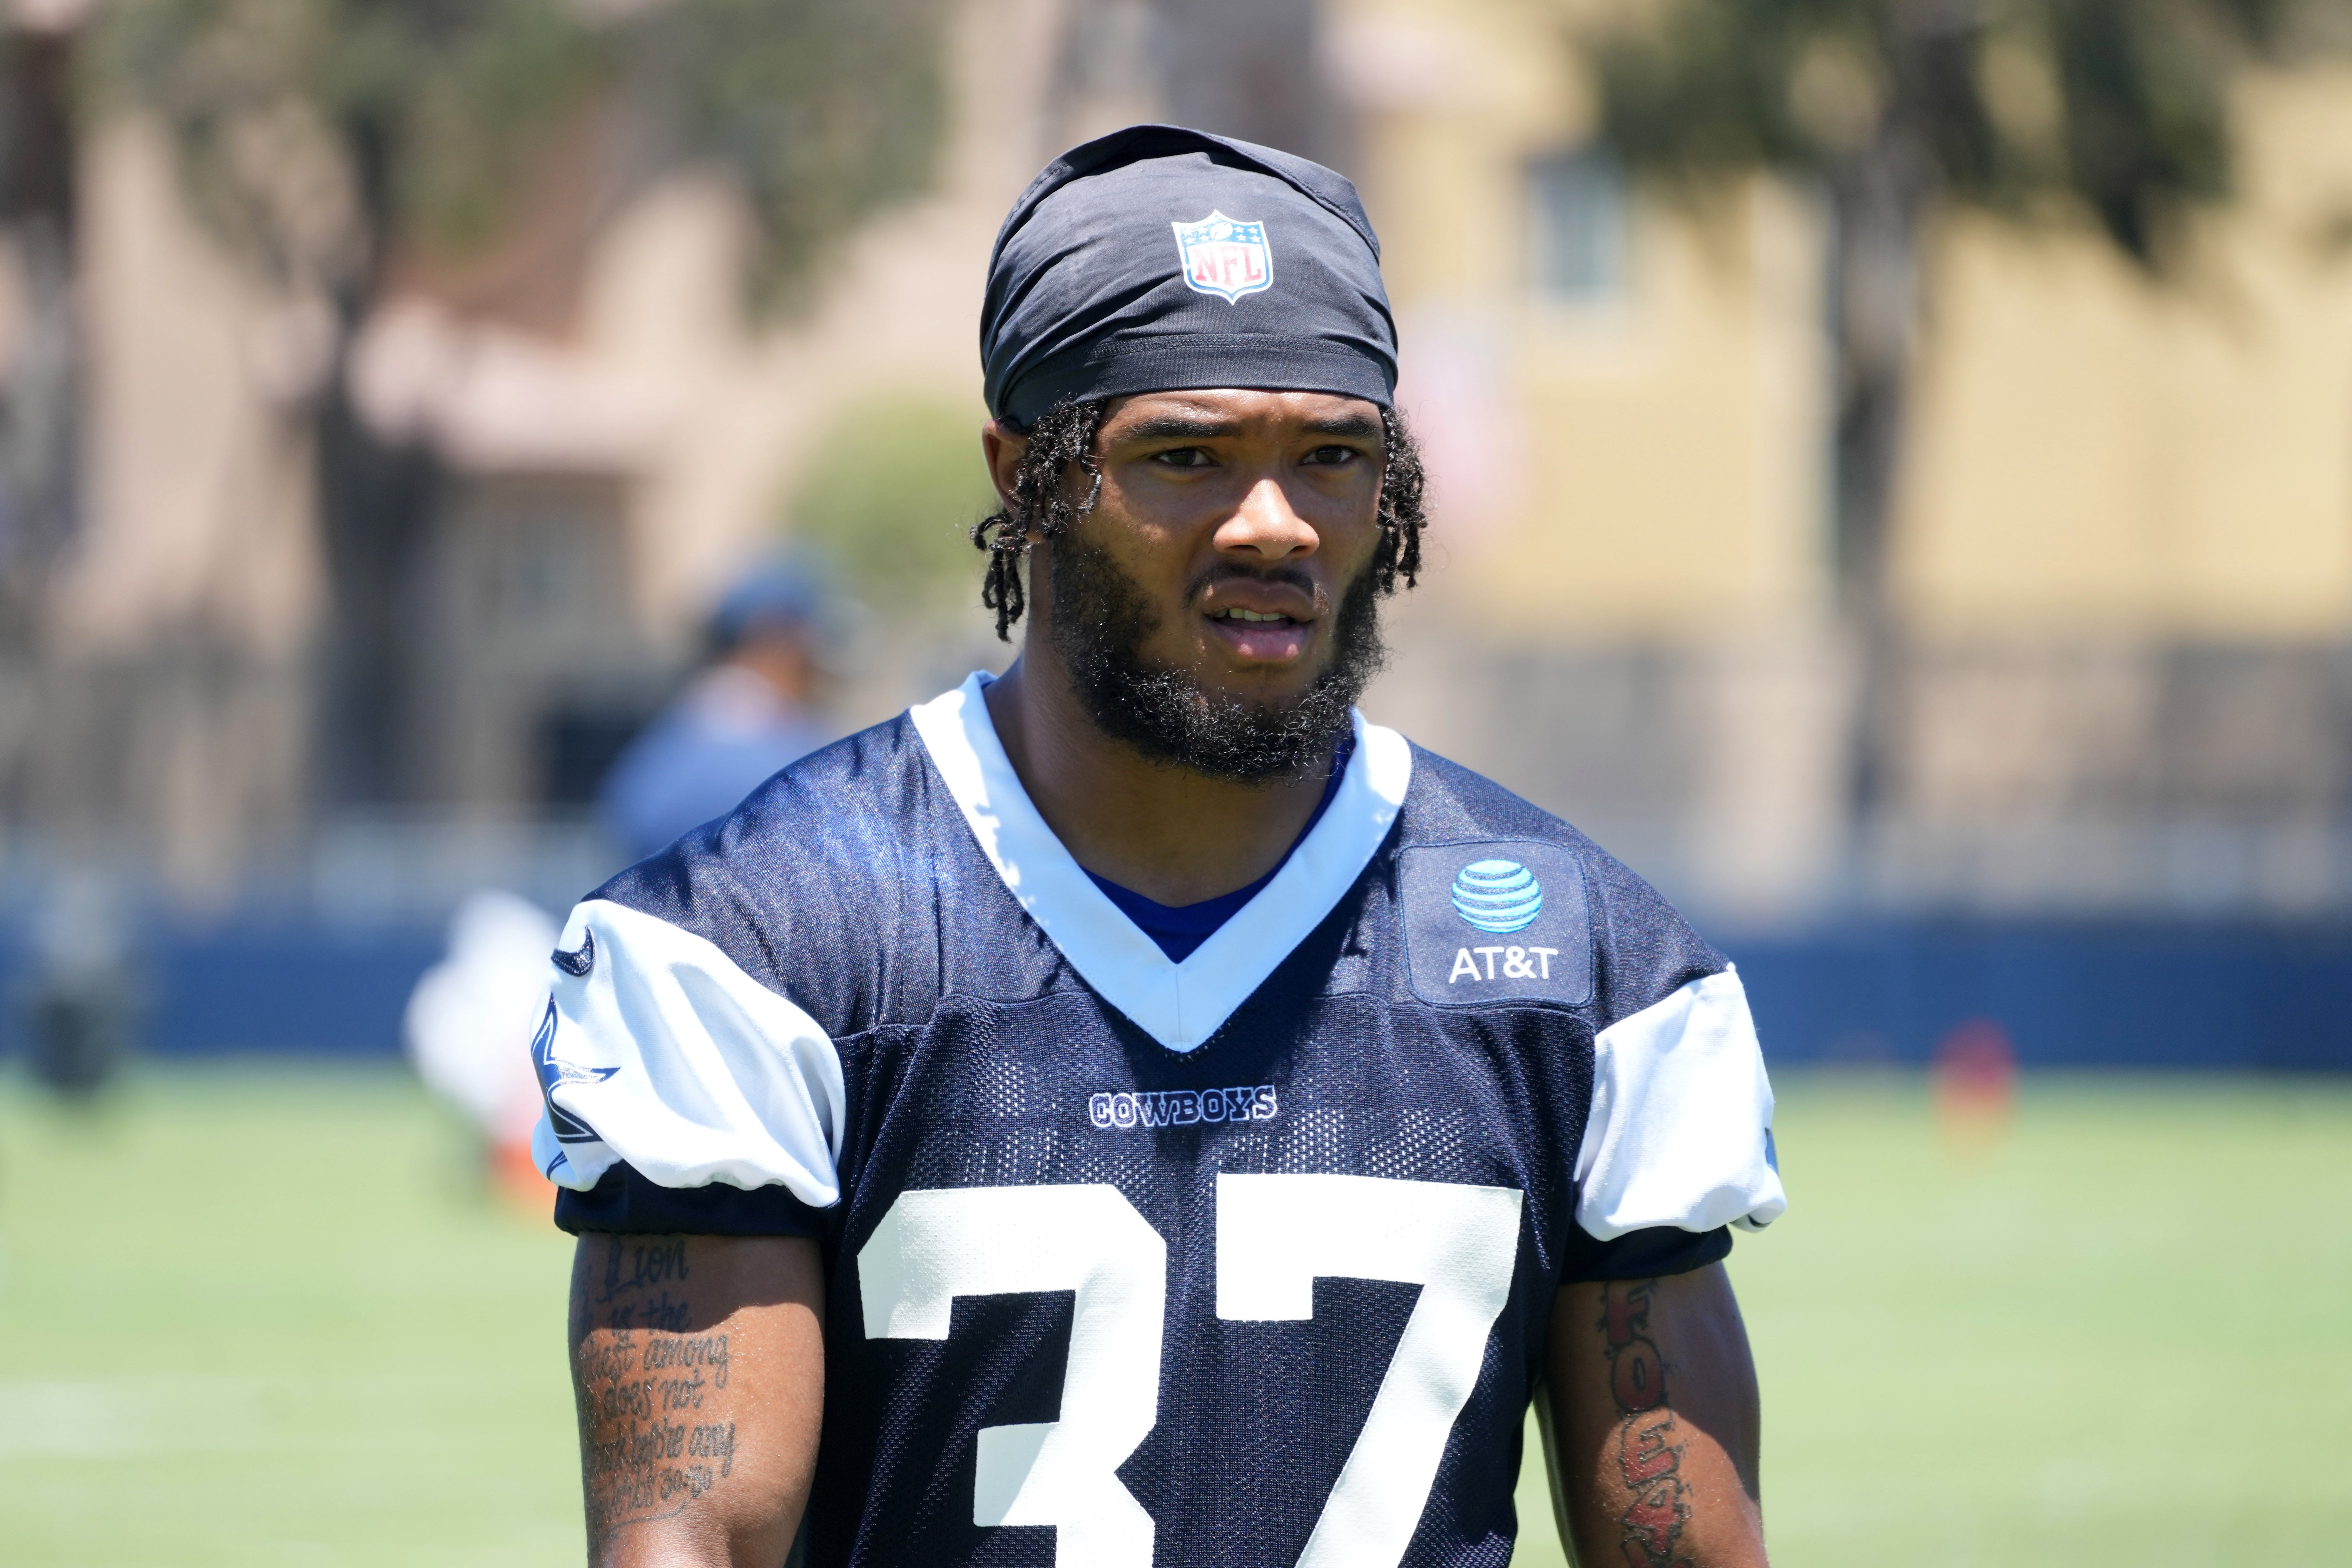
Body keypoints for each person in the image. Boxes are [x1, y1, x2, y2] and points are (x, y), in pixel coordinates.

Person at [534, 125, 1785, 1568]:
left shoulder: (1596, 970)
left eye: (1332, 454)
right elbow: (689, 1541)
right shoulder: (760, 937)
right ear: (1025, 477)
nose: (1274, 521)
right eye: (1185, 455)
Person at [596, 557, 834, 863]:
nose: (815, 675)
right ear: (778, 642)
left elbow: (630, 819)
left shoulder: (672, 738)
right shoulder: (790, 746)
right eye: (808, 655)